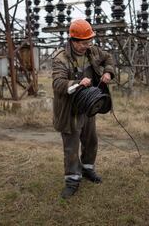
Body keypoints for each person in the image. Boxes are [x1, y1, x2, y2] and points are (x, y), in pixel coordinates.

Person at [52, 18, 115, 199]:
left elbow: (108, 57)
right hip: (70, 110)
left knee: (91, 140)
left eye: (89, 41)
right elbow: (58, 83)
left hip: (88, 107)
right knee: (71, 146)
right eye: (84, 42)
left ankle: (88, 169)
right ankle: (72, 180)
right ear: (73, 40)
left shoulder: (92, 51)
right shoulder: (61, 58)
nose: (88, 45)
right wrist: (77, 83)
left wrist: (108, 72)